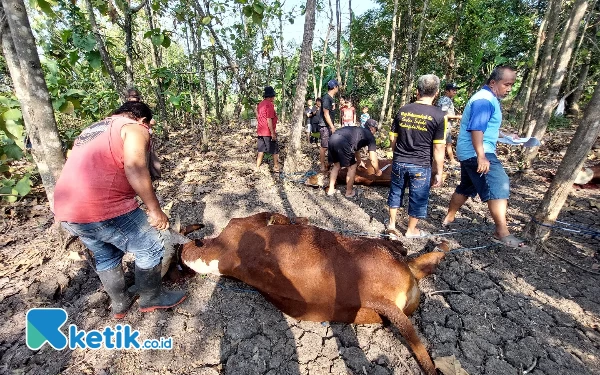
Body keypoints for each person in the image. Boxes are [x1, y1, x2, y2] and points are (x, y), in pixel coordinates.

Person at [53, 101, 186, 319]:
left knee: (106, 254)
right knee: (151, 245)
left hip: (67, 210)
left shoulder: (92, 129)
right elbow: (135, 167)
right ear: (143, 120)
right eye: (149, 126)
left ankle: (120, 304)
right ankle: (151, 298)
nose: (148, 130)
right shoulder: (134, 128)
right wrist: (155, 210)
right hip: (103, 206)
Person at [442, 66, 527, 248]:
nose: (509, 88)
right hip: (477, 151)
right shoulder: (484, 100)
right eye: (507, 84)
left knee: (466, 186)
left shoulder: (487, 98)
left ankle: (448, 218)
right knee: (499, 182)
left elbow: (486, 128)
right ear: (493, 82)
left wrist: (505, 136)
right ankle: (501, 232)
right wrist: (481, 156)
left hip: (468, 151)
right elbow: (477, 129)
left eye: (512, 85)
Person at [386, 74, 446, 239]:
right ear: (437, 92)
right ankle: (411, 230)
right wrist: (439, 171)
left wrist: (396, 152)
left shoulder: (403, 110)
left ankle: (391, 224)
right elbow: (439, 147)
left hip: (400, 160)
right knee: (418, 196)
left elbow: (392, 137)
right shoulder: (439, 116)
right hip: (421, 164)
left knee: (396, 191)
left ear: (417, 91)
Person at [326, 119, 382, 198]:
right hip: (343, 142)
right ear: (372, 129)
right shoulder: (370, 136)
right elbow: (373, 159)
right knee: (352, 167)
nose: (375, 133)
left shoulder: (358, 131)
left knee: (336, 166)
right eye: (375, 130)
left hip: (332, 139)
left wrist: (359, 161)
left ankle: (331, 190)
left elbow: (356, 149)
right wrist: (377, 171)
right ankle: (349, 192)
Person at [256, 86, 280, 173]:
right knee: (275, 150)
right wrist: (272, 133)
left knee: (261, 150)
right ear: (271, 96)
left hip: (260, 132)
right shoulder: (269, 104)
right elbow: (269, 119)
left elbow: (258, 116)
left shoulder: (260, 104)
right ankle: (276, 167)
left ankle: (257, 167)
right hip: (267, 132)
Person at [437, 83, 462, 165]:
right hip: (444, 124)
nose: (455, 92)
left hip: (446, 125)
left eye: (456, 90)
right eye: (453, 90)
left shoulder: (446, 99)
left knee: (448, 142)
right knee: (442, 143)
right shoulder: (446, 100)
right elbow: (444, 114)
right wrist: (458, 117)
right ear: (447, 91)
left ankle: (452, 160)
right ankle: (439, 161)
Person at [319, 79, 339, 172]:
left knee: (331, 145)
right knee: (324, 146)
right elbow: (326, 114)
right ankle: (322, 165)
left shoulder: (331, 98)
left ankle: (329, 164)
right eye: (337, 86)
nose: (338, 88)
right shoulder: (326, 98)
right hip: (325, 126)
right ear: (334, 87)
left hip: (329, 126)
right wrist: (332, 126)